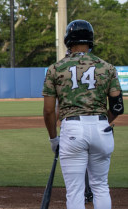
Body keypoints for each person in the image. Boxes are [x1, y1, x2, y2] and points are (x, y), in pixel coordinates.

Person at [43, 19, 124, 209]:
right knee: (101, 186)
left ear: (68, 41)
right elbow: (118, 106)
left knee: (75, 190)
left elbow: (48, 111)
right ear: (90, 40)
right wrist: (104, 123)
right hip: (102, 128)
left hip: (72, 129)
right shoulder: (107, 67)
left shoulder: (56, 68)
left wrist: (54, 139)